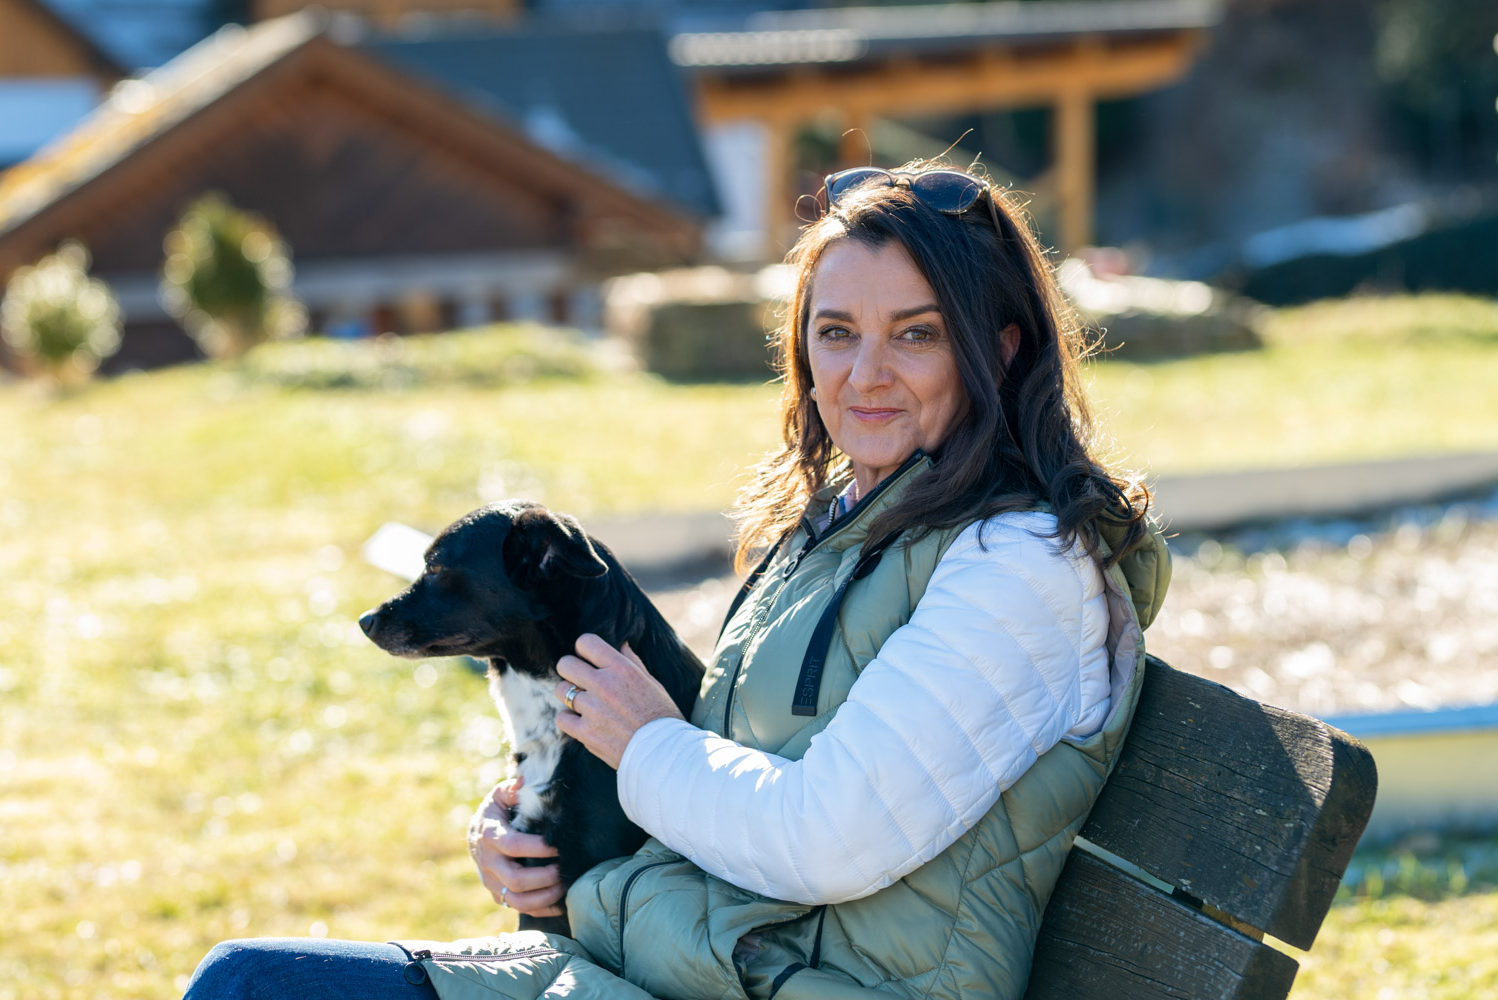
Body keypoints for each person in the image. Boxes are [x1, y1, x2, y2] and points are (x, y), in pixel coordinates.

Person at [183, 161, 1169, 1000]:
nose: (866, 373)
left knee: (250, 987)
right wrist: (539, 833)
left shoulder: (1024, 567)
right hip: (678, 963)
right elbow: (725, 773)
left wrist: (646, 745)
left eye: (915, 332)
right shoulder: (849, 526)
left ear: (997, 349)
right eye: (836, 332)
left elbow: (820, 838)